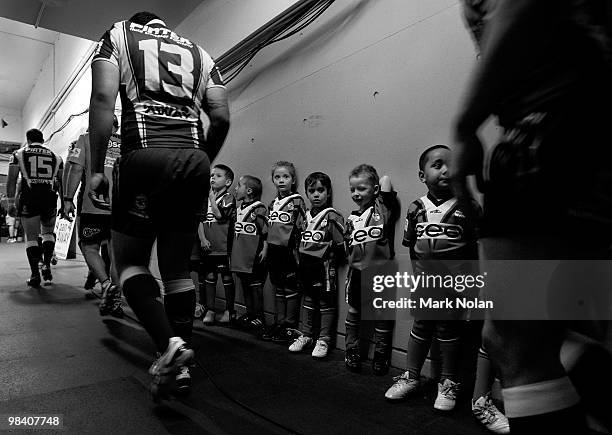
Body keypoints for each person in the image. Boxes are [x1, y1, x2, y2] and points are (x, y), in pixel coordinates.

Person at [452, 1, 612, 432]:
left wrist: (465, 126)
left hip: (553, 130)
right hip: (581, 127)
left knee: (516, 341)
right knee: (550, 328)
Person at [88, 11, 230, 399]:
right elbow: (220, 115)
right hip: (193, 162)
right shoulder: (201, 54)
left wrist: (95, 168)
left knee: (130, 263)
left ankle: (170, 345)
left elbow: (102, 97)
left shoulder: (118, 33)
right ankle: (179, 368)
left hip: (143, 157)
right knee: (177, 269)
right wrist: (202, 159)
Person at [383, 145, 482, 413]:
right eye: (437, 165)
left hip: (456, 288)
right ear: (421, 175)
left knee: (449, 332)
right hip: (425, 285)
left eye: (451, 164)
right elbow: (412, 248)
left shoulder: (469, 207)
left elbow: (477, 254)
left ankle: (448, 381)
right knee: (422, 327)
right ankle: (411, 376)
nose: (446, 170)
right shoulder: (416, 207)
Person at [63, 116, 122, 316]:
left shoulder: (86, 139)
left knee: (89, 246)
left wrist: (67, 198)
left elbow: (76, 169)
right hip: (120, 207)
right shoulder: (126, 143)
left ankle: (106, 285)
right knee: (116, 254)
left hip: (93, 205)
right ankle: (116, 298)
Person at [344, 164, 399, 375]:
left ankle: (381, 355)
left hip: (381, 272)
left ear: (374, 190)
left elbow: (385, 180)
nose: (356, 194)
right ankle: (352, 350)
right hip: (357, 272)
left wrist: (376, 187)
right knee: (355, 311)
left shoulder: (381, 209)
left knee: (382, 314)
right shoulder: (352, 218)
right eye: (352, 189)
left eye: (362, 188)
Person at [288, 172, 345, 359]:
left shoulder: (333, 216)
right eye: (312, 191)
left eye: (321, 190)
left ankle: (324, 339)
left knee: (325, 302)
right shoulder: (303, 216)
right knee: (308, 300)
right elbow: (297, 240)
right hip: (305, 266)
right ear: (306, 193)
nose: (316, 195)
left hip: (324, 268)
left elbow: (340, 245)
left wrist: (327, 257)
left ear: (328, 192)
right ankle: (306, 335)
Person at [6, 128, 63, 286]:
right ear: (43, 140)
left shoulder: (18, 154)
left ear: (28, 140)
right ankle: (46, 265)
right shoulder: (57, 157)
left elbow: (11, 180)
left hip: (30, 198)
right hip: (50, 198)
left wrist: (11, 202)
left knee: (31, 238)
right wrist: (65, 204)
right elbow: (61, 183)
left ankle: (34, 275)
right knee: (48, 233)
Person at [263, 161, 306, 343]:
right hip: (273, 251)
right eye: (277, 177)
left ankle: (290, 325)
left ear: (293, 180)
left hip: (289, 251)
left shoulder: (297, 201)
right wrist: (265, 249)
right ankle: (280, 322)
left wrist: (298, 253)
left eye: (285, 177)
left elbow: (302, 227)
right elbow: (268, 229)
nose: (281, 180)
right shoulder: (273, 203)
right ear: (273, 180)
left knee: (290, 288)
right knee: (278, 287)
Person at [231, 175, 269, 334]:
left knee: (255, 286)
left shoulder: (259, 208)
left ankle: (259, 317)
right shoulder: (239, 208)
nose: (235, 189)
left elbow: (265, 230)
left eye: (238, 185)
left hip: (253, 254)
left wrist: (265, 248)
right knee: (245, 285)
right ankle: (250, 313)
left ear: (248, 190)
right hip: (240, 254)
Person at [200, 164, 237, 325]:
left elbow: (220, 215)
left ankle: (229, 310)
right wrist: (202, 239)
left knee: (227, 276)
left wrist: (212, 200)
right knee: (209, 276)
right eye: (211, 175)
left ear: (228, 182)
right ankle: (210, 309)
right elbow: (199, 220)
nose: (212, 178)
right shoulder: (205, 198)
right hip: (207, 246)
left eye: (218, 175)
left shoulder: (228, 198)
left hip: (223, 247)